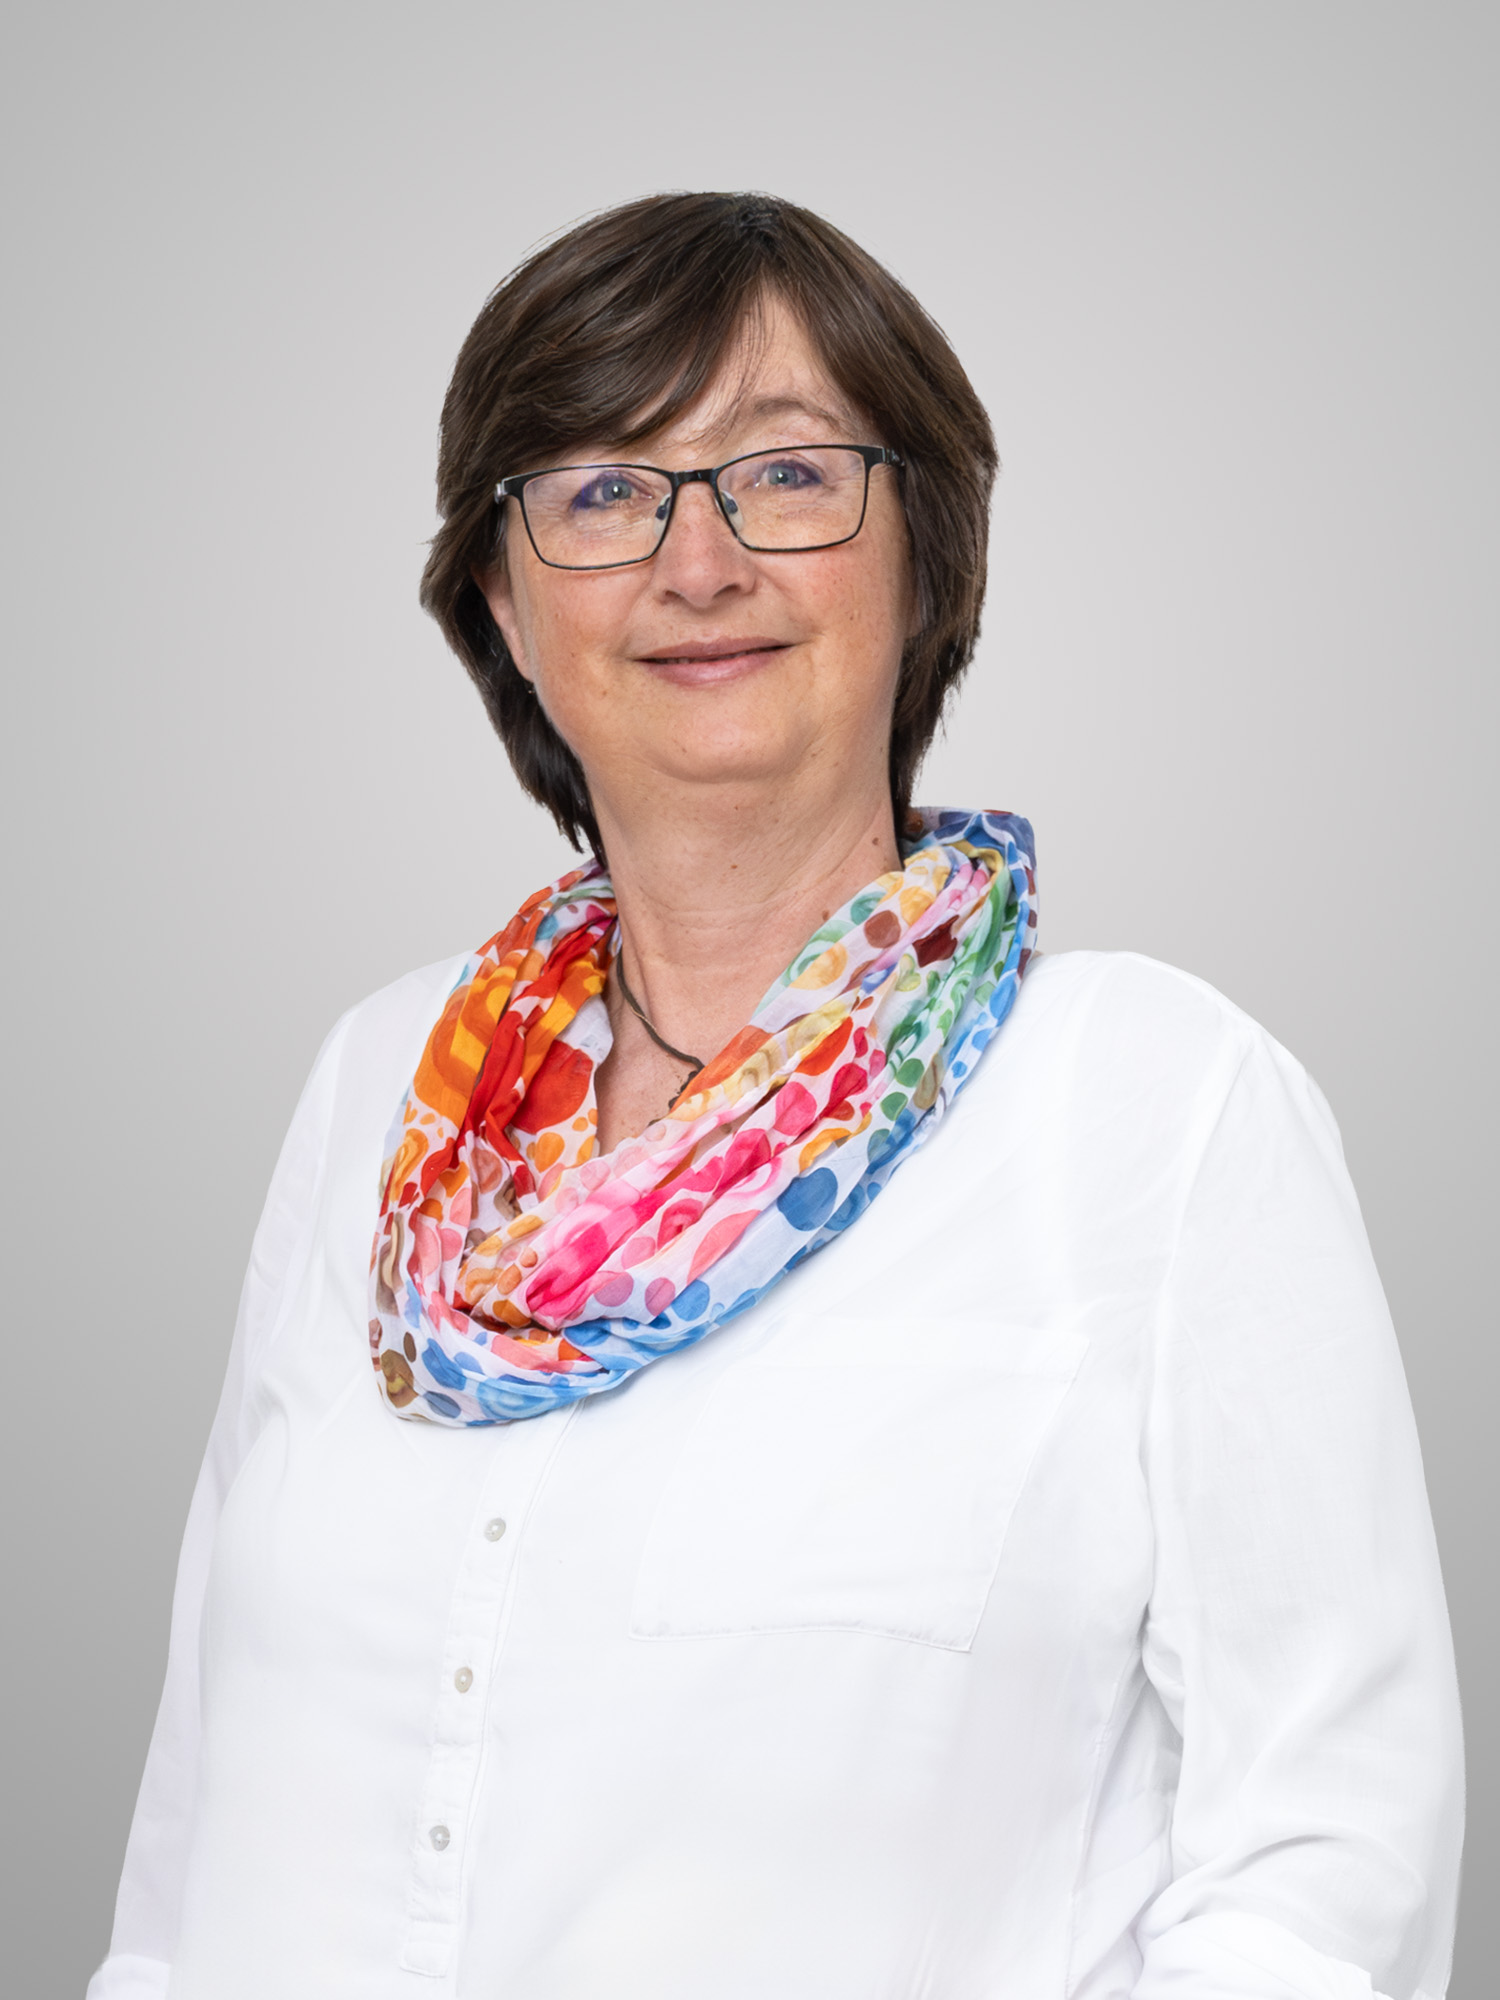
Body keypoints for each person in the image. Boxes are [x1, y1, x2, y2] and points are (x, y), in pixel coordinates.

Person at [88, 192, 1463, 2000]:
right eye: (602, 490)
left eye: (787, 474)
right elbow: (191, 1848)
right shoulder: (385, 1094)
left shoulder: (1156, 1104)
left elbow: (1325, 1863)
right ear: (503, 602)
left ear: (928, 559)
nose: (697, 561)